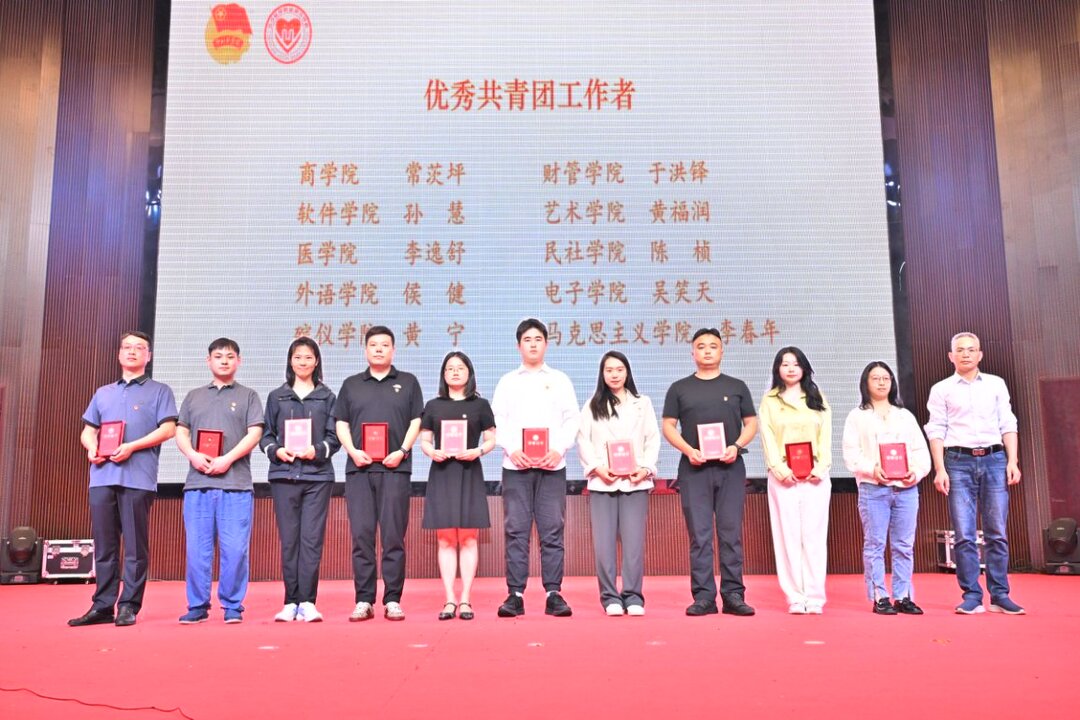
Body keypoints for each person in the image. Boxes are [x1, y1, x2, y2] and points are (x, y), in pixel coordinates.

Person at [69, 331, 178, 628]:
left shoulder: (160, 391)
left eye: (139, 348)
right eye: (127, 347)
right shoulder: (103, 392)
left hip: (138, 477)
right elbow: (88, 430)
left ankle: (129, 604)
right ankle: (103, 605)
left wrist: (132, 446)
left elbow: (168, 429)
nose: (132, 351)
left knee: (134, 546)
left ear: (148, 356)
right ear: (119, 354)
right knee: (104, 545)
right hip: (102, 477)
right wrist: (91, 448)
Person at [925, 332, 1023, 615]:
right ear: (951, 356)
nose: (966, 354)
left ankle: (1000, 595)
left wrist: (1013, 461)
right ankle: (971, 595)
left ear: (980, 354)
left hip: (994, 459)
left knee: (997, 532)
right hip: (958, 461)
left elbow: (1008, 423)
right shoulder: (941, 389)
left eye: (971, 349)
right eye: (960, 350)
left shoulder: (995, 384)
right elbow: (936, 429)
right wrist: (939, 468)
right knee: (964, 534)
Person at [662, 328, 758, 617]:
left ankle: (733, 595)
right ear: (692, 353)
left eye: (713, 346)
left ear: (722, 351)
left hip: (731, 469)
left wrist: (736, 446)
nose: (707, 351)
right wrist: (688, 450)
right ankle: (704, 597)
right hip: (694, 470)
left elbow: (751, 423)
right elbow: (668, 426)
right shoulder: (679, 388)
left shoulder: (737, 386)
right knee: (700, 536)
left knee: (730, 534)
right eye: (701, 346)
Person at [491, 318, 580, 618]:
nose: (532, 344)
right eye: (527, 340)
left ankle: (554, 593)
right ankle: (515, 595)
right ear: (518, 346)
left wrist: (559, 449)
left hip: (552, 466)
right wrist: (511, 449)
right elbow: (497, 421)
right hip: (515, 467)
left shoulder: (560, 380)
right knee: (516, 530)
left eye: (538, 339)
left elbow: (572, 419)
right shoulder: (508, 381)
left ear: (546, 344)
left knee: (552, 530)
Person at [334, 326, 423, 622]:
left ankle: (393, 599)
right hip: (359, 470)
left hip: (395, 469)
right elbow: (341, 423)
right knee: (362, 536)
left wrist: (403, 451)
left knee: (394, 536)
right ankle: (364, 599)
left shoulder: (408, 382)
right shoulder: (351, 385)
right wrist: (352, 450)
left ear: (393, 350)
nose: (379, 349)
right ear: (365, 350)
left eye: (385, 345)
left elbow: (416, 421)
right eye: (373, 345)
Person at [174, 337, 264, 624]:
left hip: (236, 484)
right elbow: (181, 431)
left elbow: (255, 433)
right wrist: (192, 455)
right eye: (218, 356)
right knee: (197, 550)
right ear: (208, 360)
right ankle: (197, 605)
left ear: (239, 361)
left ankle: (233, 605)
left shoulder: (249, 396)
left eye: (230, 356)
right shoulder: (193, 396)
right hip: (198, 484)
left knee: (235, 549)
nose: (224, 361)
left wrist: (228, 459)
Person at [261, 337, 340, 623]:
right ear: (290, 361)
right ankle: (289, 602)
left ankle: (307, 601)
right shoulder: (277, 396)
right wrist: (277, 451)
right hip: (284, 476)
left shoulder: (328, 397)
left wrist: (317, 450)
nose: (303, 362)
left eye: (308, 357)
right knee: (289, 541)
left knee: (311, 541)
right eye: (298, 357)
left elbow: (334, 437)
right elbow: (266, 436)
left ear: (316, 361)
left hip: (317, 477)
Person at [842, 361, 930, 615]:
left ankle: (903, 596)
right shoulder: (857, 416)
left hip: (906, 490)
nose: (881, 382)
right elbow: (851, 455)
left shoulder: (904, 416)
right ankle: (880, 596)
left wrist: (915, 472)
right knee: (875, 545)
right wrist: (872, 469)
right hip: (874, 489)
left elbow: (920, 452)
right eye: (875, 378)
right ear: (865, 383)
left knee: (904, 545)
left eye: (886, 378)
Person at [577, 351, 659, 616]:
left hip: (635, 482)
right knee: (603, 545)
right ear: (602, 374)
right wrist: (597, 468)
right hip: (603, 482)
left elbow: (652, 438)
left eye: (619, 369)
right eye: (609, 370)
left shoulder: (642, 403)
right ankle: (610, 597)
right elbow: (583, 440)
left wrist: (645, 468)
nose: (614, 374)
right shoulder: (592, 405)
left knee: (633, 544)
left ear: (627, 372)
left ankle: (633, 596)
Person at [419, 351, 496, 621]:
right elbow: (425, 440)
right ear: (443, 374)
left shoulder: (480, 405)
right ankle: (449, 598)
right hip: (442, 473)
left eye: (460, 368)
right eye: (449, 368)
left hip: (469, 471)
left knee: (469, 538)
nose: (454, 372)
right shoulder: (433, 405)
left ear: (469, 373)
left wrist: (478, 451)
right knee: (445, 539)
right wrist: (432, 452)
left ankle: (465, 599)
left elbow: (491, 439)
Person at [758, 346, 832, 614]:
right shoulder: (769, 401)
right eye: (785, 364)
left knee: (813, 537)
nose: (790, 368)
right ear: (777, 369)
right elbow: (767, 437)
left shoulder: (816, 397)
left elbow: (825, 435)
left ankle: (815, 596)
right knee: (787, 537)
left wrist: (820, 467)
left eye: (796, 364)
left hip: (815, 478)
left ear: (804, 368)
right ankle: (795, 596)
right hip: (783, 478)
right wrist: (779, 469)